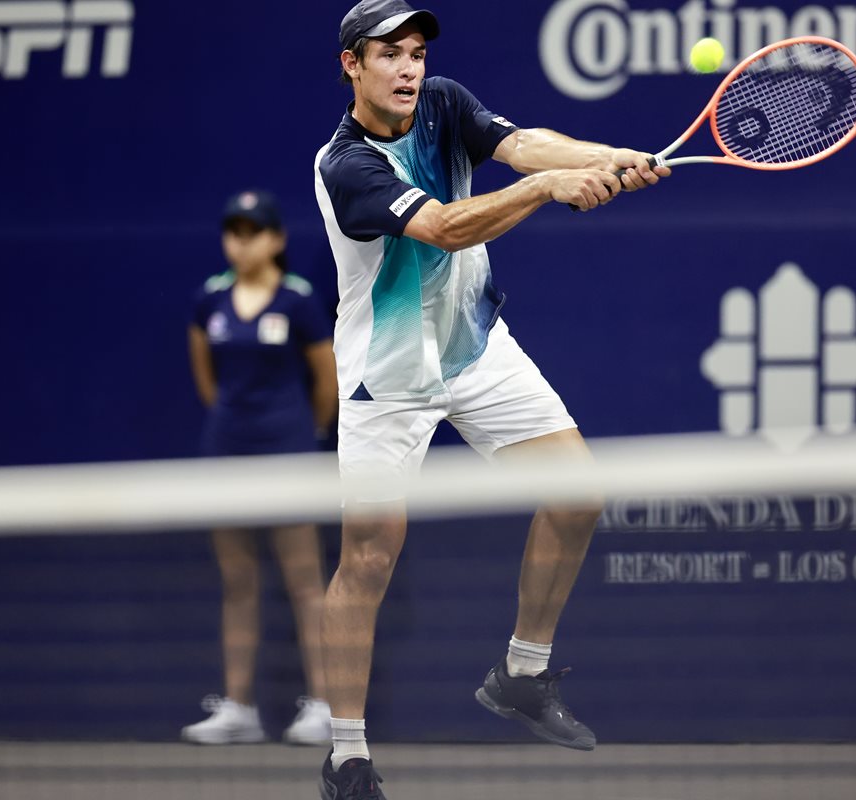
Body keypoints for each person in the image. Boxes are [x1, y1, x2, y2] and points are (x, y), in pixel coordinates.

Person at [313, 1, 670, 795]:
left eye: (415, 53)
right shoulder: (346, 166)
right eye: (388, 55)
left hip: (473, 347)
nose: (408, 68)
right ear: (352, 65)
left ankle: (522, 675)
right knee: (367, 558)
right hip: (388, 375)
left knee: (576, 494)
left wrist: (608, 156)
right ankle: (347, 756)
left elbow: (521, 143)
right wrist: (546, 188)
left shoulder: (442, 102)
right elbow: (445, 227)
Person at [182, 190, 339, 745]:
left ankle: (323, 705)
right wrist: (234, 423)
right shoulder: (209, 299)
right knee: (238, 582)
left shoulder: (298, 300)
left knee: (305, 582)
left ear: (276, 240)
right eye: (234, 232)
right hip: (226, 452)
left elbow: (327, 380)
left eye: (254, 233)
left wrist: (301, 434)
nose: (241, 243)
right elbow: (206, 375)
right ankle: (239, 709)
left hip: (288, 452)